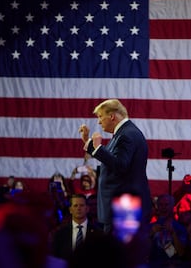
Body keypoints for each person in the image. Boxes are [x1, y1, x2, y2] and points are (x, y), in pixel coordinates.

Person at [78, 99, 152, 234]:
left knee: (119, 254)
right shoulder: (123, 133)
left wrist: (98, 147)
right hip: (122, 209)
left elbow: (120, 165)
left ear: (112, 116)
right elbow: (113, 160)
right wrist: (88, 142)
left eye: (100, 117)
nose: (99, 122)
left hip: (123, 210)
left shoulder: (126, 135)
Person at [50, 194, 104, 261]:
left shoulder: (98, 233)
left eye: (81, 205)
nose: (79, 208)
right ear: (70, 210)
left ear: (87, 209)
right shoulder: (60, 234)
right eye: (75, 206)